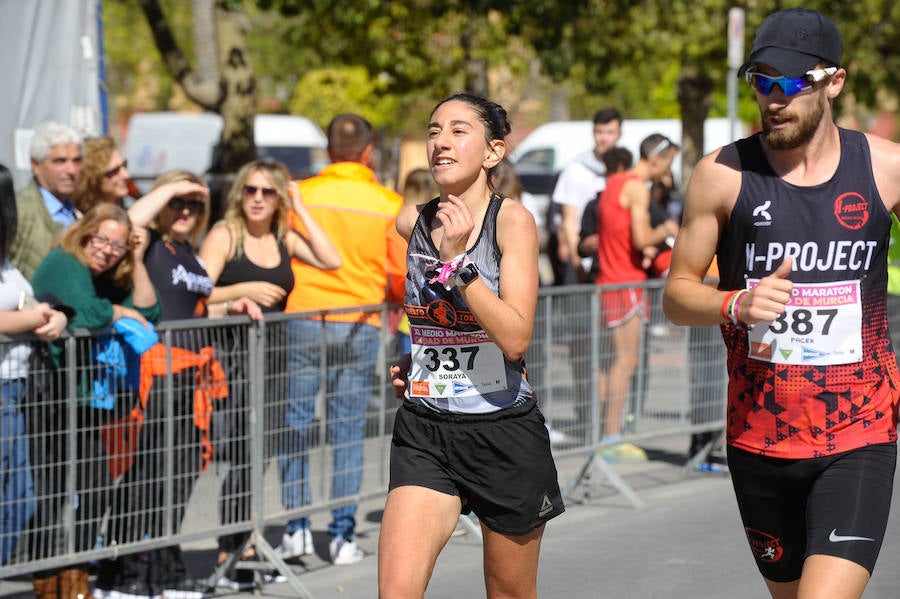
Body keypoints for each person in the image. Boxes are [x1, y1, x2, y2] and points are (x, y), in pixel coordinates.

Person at [663, 8, 900, 598]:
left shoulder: (886, 168)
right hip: (758, 437)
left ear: (834, 83)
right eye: (762, 81)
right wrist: (735, 303)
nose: (774, 97)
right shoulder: (722, 174)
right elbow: (676, 295)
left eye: (793, 82)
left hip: (859, 432)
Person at [378, 92, 564, 598]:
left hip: (502, 433)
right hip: (426, 431)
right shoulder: (410, 222)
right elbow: (435, 325)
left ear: (493, 152)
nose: (441, 141)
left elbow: (515, 337)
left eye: (459, 130)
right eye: (434, 130)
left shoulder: (511, 222)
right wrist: (416, 361)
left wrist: (459, 263)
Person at [91, 170, 241, 599]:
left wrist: (231, 306)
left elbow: (192, 309)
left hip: (192, 376)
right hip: (157, 374)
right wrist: (172, 188)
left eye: (195, 204)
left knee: (178, 478)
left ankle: (164, 573)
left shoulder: (187, 250)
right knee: (148, 477)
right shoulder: (150, 244)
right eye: (179, 202)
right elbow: (132, 222)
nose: (186, 210)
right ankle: (126, 576)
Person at [198, 158, 340, 584]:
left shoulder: (284, 237)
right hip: (233, 360)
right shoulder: (226, 235)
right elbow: (198, 293)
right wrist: (243, 290)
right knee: (241, 453)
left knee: (258, 455)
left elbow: (331, 259)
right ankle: (230, 548)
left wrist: (300, 204)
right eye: (250, 190)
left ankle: (247, 542)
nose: (258, 199)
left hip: (274, 359)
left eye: (268, 192)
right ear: (239, 194)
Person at [277, 114, 405, 566]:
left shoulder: (302, 194)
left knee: (295, 422)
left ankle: (295, 529)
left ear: (328, 151)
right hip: (361, 321)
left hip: (303, 317)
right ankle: (343, 536)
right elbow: (398, 277)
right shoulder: (389, 203)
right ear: (368, 152)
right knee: (346, 430)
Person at [27, 203, 160, 599]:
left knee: (95, 485)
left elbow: (151, 309)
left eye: (117, 246)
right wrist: (118, 310)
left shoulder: (99, 271)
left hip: (83, 397)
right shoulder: (67, 262)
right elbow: (82, 312)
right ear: (84, 232)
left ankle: (75, 578)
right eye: (101, 239)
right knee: (51, 493)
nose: (107, 250)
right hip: (49, 394)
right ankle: (51, 584)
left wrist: (136, 258)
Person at [0, 164, 68, 568]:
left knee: (21, 495)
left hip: (16, 387)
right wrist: (36, 318)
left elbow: (24, 301)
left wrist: (54, 315)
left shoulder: (6, 261)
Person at [596, 134, 679, 461]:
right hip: (626, 284)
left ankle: (605, 433)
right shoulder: (637, 189)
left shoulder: (615, 182)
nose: (667, 172)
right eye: (669, 163)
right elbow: (642, 236)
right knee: (625, 362)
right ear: (656, 158)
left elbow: (622, 237)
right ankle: (611, 438)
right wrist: (668, 228)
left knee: (608, 363)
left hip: (608, 280)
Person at [551, 107, 623, 285]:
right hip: (584, 257)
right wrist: (578, 260)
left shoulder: (625, 170)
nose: (604, 137)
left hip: (617, 260)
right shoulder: (575, 170)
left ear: (619, 134)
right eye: (599, 131)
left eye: (610, 132)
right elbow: (569, 220)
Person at [11, 121, 83, 280]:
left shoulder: (78, 210)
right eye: (60, 161)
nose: (71, 170)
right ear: (36, 165)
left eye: (77, 161)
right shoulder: (19, 210)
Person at [578, 147, 634, 281]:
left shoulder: (639, 201)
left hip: (630, 276)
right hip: (603, 275)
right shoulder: (594, 204)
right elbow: (581, 247)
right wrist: (587, 244)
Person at [72, 136, 134, 213]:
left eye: (124, 165)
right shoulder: (76, 219)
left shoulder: (125, 210)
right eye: (115, 171)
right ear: (93, 179)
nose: (127, 175)